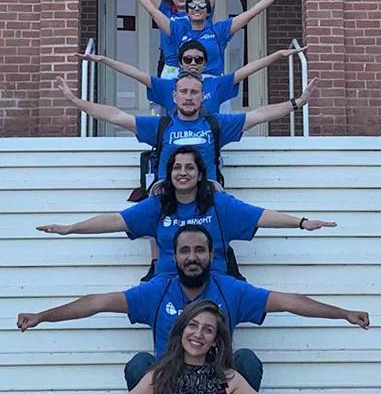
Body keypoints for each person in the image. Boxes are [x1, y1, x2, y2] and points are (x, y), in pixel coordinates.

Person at [17, 233, 370, 394]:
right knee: (140, 365)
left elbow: (290, 305)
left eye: (200, 249)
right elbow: (97, 305)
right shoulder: (158, 293)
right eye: (184, 250)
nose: (192, 256)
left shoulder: (230, 299)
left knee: (247, 361)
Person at [35, 147, 336, 278]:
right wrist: (70, 228)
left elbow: (260, 215)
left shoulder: (220, 205)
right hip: (168, 285)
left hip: (213, 286)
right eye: (177, 167)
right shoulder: (158, 205)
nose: (183, 172)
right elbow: (116, 220)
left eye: (189, 167)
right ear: (168, 173)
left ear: (200, 173)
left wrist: (301, 222)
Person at [54, 73, 312, 189]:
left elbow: (259, 114)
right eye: (184, 92)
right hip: (168, 192)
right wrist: (77, 102)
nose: (189, 97)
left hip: (206, 194)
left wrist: (296, 103)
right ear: (174, 97)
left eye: (195, 92)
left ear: (203, 97)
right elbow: (115, 115)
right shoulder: (161, 125)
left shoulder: (216, 123)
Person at [111, 0, 301, 78]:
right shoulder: (177, 29)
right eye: (191, 5)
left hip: (214, 86)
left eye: (201, 5)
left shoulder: (220, 30)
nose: (196, 8)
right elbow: (152, 9)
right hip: (185, 86)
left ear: (208, 11)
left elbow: (251, 13)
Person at [81, 40, 306, 113]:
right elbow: (136, 73)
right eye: (187, 59)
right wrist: (104, 61)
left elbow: (249, 69)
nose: (192, 64)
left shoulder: (216, 84)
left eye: (198, 60)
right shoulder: (168, 85)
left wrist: (277, 54)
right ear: (179, 62)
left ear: (205, 63)